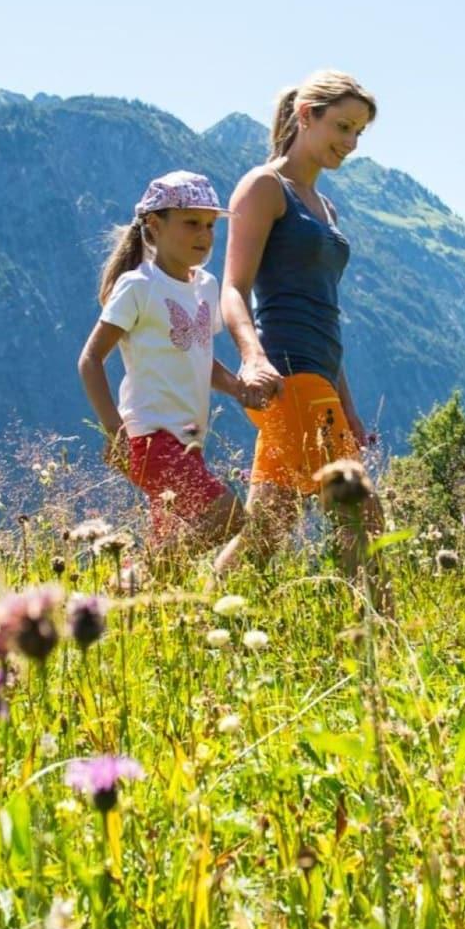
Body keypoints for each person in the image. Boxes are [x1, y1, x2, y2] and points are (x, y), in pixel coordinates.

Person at [213, 70, 383, 571]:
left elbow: (323, 311)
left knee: (268, 528)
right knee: (362, 517)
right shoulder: (265, 187)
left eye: (359, 132)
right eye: (343, 127)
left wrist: (347, 404)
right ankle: (376, 616)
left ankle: (198, 611)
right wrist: (252, 357)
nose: (351, 143)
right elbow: (233, 288)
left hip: (319, 376)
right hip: (287, 374)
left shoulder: (326, 208)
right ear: (307, 115)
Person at [78, 171, 260, 556]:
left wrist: (237, 387)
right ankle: (147, 574)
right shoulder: (138, 286)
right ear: (155, 225)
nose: (204, 234)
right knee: (228, 516)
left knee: (172, 544)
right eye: (191, 223)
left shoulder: (206, 286)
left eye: (210, 225)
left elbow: (199, 354)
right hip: (149, 438)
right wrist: (115, 432)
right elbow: (91, 360)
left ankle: (136, 585)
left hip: (189, 441)